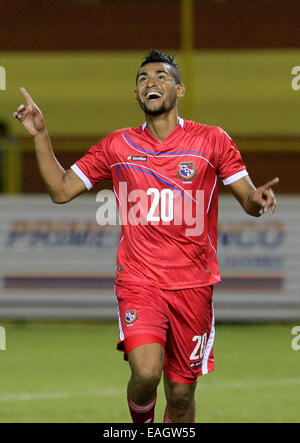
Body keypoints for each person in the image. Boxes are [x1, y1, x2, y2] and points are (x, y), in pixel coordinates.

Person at [13, 49, 278, 423]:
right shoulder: (118, 145)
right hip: (140, 281)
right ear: (136, 96)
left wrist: (258, 198)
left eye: (160, 77)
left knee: (182, 394)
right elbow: (60, 189)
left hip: (194, 285)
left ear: (179, 89)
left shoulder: (212, 140)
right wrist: (40, 135)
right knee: (146, 373)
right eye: (142, 80)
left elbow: (248, 198)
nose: (150, 83)